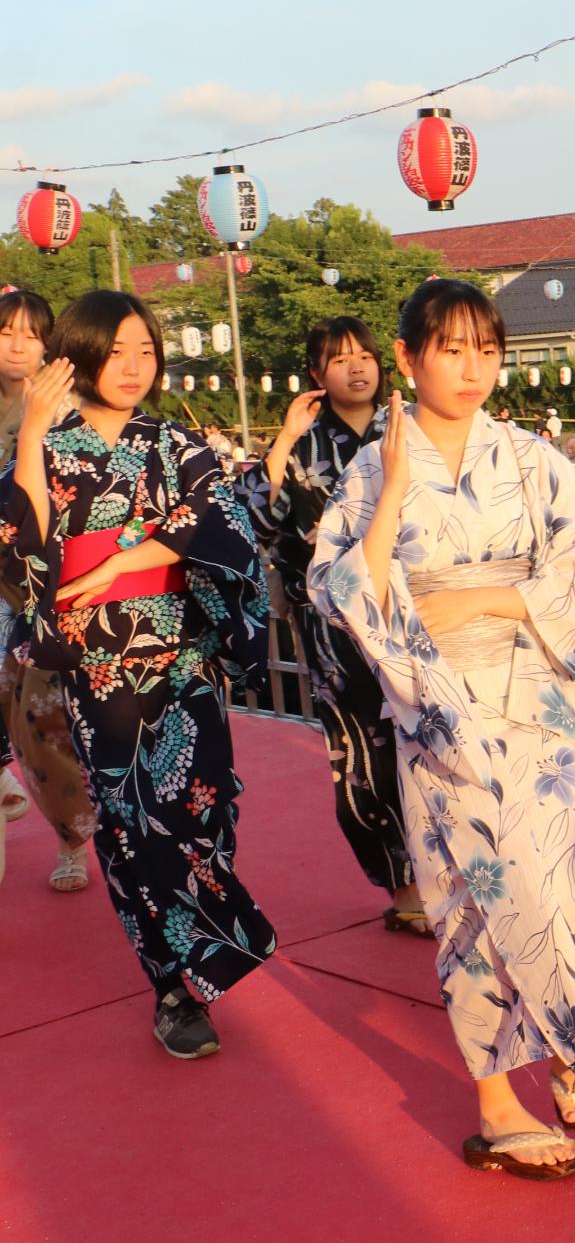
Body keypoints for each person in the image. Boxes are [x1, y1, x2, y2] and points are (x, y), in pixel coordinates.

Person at [310, 278, 575, 1178]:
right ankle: (499, 1104)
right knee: (467, 901)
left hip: (533, 695)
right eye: (449, 349)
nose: (471, 368)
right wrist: (390, 500)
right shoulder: (372, 468)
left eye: (486, 349)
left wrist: (486, 598)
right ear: (409, 359)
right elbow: (339, 586)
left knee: (560, 889)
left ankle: (573, 1040)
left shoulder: (533, 459)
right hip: (435, 707)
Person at [0, 290, 274, 1057]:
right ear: (80, 356)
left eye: (145, 350)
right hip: (98, 665)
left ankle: (206, 950)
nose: (133, 366)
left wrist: (130, 556)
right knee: (129, 824)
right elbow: (21, 541)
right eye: (116, 351)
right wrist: (29, 435)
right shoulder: (51, 444)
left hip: (179, 659)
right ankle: (172, 988)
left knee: (203, 807)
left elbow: (222, 524)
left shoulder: (175, 443)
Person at [241, 316, 425, 931]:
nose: (356, 366)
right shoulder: (302, 446)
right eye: (338, 358)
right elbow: (261, 529)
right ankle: (405, 891)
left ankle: (454, 875)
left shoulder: (409, 429)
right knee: (362, 756)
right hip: (335, 628)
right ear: (316, 375)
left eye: (365, 355)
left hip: (416, 616)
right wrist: (282, 444)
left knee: (435, 741)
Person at [0, 288, 95, 894]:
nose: (17, 345)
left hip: (38, 584)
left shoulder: (66, 408)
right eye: (5, 331)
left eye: (31, 334)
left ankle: (71, 839)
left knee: (47, 725)